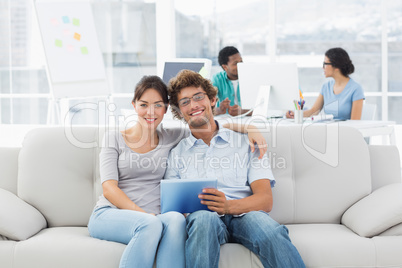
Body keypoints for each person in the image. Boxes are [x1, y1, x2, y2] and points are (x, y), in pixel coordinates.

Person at [88, 75, 268, 268]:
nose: (151, 111)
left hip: (157, 217)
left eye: (158, 105)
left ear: (166, 109)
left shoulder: (172, 136)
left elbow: (207, 125)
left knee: (176, 220)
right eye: (143, 104)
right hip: (112, 213)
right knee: (150, 225)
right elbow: (109, 188)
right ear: (134, 105)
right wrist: (144, 215)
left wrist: (249, 127)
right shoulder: (114, 138)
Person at [166, 70, 305, 268]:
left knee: (269, 230)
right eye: (185, 102)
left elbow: (265, 200)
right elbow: (173, 208)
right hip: (204, 219)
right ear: (179, 111)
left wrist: (228, 207)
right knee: (203, 220)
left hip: (245, 214)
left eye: (198, 97)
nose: (194, 105)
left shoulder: (247, 143)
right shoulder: (177, 154)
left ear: (213, 100)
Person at [287, 47, 365, 120]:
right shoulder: (326, 87)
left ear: (336, 66)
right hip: (329, 131)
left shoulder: (355, 89)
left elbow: (355, 122)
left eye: (325, 64)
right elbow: (313, 111)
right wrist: (295, 114)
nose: (323, 67)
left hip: (345, 133)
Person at [212, 46, 244, 116]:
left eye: (241, 61)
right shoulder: (217, 79)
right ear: (225, 67)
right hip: (225, 120)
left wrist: (242, 112)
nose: (240, 65)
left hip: (250, 120)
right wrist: (220, 110)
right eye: (235, 63)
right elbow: (208, 110)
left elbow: (263, 109)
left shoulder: (250, 77)